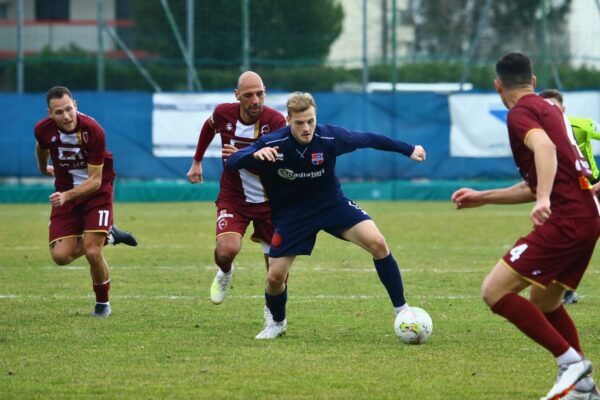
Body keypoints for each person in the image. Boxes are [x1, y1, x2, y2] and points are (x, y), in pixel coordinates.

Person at [451, 53, 600, 400]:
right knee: (545, 302)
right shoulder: (550, 110)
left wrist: (544, 200)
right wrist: (483, 197)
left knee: (494, 291)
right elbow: (537, 179)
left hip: (565, 218)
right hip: (588, 217)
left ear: (497, 85)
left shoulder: (520, 113)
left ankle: (570, 364)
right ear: (533, 82)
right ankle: (585, 387)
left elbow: (544, 151)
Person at [224, 91, 426, 340]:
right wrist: (252, 155)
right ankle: (277, 322)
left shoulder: (330, 136)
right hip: (293, 215)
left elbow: (368, 139)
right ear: (288, 120)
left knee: (378, 243)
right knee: (275, 277)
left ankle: (403, 311)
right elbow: (232, 161)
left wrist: (408, 149)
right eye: (300, 123)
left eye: (311, 121)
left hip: (331, 205)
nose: (307, 128)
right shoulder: (273, 143)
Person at [34, 86, 138, 317]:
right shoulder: (43, 130)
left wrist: (67, 196)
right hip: (65, 190)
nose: (66, 116)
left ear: (76, 105)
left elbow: (95, 180)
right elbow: (41, 146)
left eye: (69, 109)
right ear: (50, 114)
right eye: (59, 112)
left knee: (92, 251)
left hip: (96, 192)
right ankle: (109, 234)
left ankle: (102, 304)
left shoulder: (93, 131)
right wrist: (43, 168)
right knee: (61, 257)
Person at [186, 71, 286, 309]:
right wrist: (197, 160)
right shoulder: (223, 113)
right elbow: (209, 127)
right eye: (249, 95)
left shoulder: (276, 122)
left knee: (276, 271)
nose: (256, 101)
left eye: (260, 94)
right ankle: (225, 272)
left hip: (270, 201)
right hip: (234, 197)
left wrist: (243, 156)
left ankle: (273, 315)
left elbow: (278, 164)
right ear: (237, 96)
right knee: (226, 251)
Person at [538, 88, 600, 305]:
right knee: (565, 240)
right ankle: (565, 290)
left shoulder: (582, 125)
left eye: (553, 108)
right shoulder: (537, 135)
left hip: (593, 188)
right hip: (565, 193)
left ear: (563, 110)